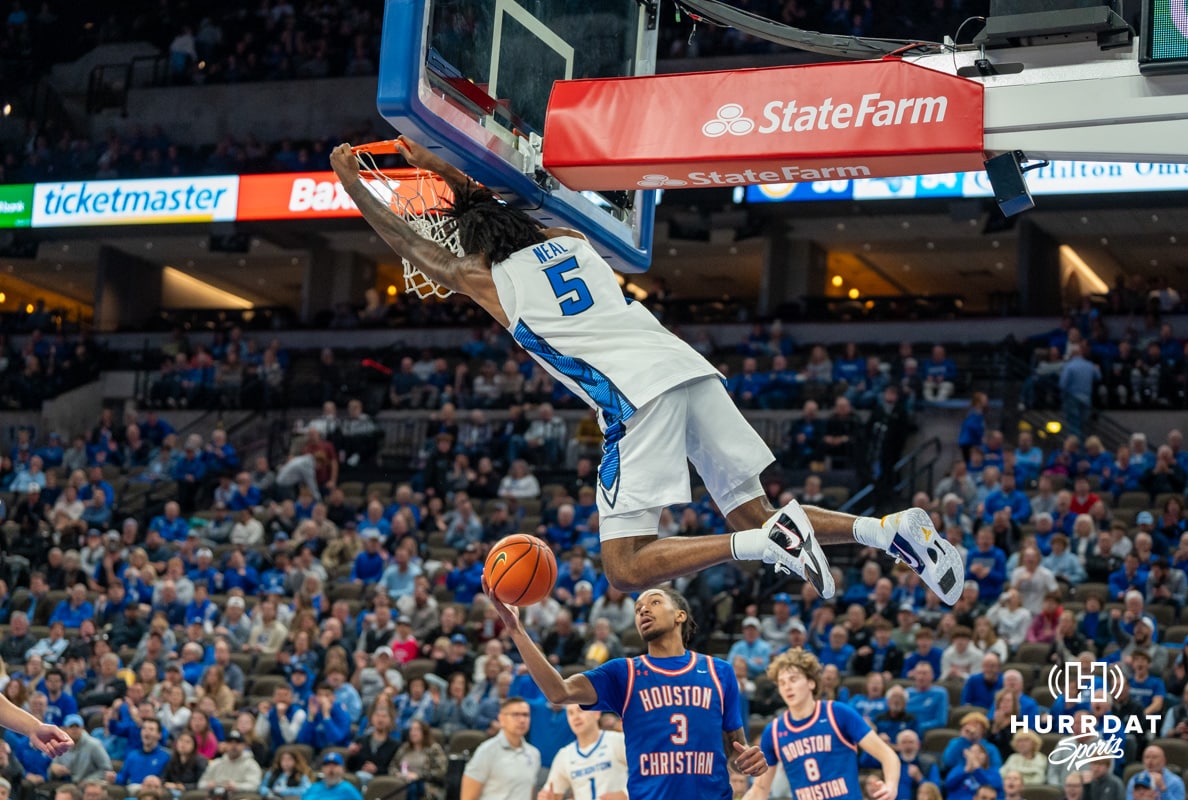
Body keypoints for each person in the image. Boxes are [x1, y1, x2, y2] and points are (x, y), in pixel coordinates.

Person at [330, 138, 964, 606]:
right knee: (754, 511)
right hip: (686, 366)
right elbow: (478, 200)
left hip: (634, 395)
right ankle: (890, 531)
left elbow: (411, 245)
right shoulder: (569, 241)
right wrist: (432, 161)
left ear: (467, 243)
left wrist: (353, 183)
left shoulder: (482, 277)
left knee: (626, 568)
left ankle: (769, 547)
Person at [485, 584, 765, 800]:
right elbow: (559, 692)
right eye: (638, 607)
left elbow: (736, 750)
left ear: (680, 615)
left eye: (654, 602)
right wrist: (516, 629)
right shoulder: (624, 673)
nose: (643, 609)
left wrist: (750, 759)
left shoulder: (720, 671)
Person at [741, 649, 899, 800]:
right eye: (782, 683)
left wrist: (891, 786)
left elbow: (888, 755)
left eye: (793, 679)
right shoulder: (774, 731)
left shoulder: (837, 713)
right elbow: (759, 790)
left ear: (811, 683)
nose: (787, 686)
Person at [540, 704, 628, 800]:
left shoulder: (618, 741)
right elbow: (552, 793)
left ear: (597, 713)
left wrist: (625, 794)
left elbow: (644, 773)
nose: (576, 717)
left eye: (580, 710)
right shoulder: (564, 755)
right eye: (570, 713)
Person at [460, 697, 540, 800]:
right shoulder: (486, 751)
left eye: (526, 715)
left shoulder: (534, 754)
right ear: (501, 719)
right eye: (515, 715)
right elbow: (467, 797)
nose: (522, 720)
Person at [0, 690, 72, 756]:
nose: (37, 707)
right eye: (35, 704)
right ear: (29, 705)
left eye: (40, 704)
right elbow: (14, 745)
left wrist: (34, 728)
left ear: (46, 706)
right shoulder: (13, 726)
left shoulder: (52, 729)